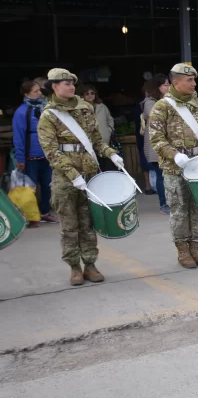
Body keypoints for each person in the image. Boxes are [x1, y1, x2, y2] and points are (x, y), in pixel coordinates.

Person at [37, 68, 125, 285]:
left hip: (88, 175)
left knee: (88, 223)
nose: (71, 86)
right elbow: (51, 152)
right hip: (66, 179)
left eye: (72, 83)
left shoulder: (85, 108)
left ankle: (91, 264)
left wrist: (111, 153)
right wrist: (72, 174)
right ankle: (74, 267)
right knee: (69, 226)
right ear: (54, 87)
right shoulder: (48, 115)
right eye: (66, 83)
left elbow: (96, 140)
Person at [149, 64, 198, 269]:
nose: (194, 83)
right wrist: (174, 155)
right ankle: (183, 251)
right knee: (180, 210)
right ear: (176, 82)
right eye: (189, 80)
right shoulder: (162, 107)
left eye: (194, 80)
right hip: (175, 168)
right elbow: (156, 138)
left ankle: (196, 248)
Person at [12, 80, 58, 226]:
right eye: (35, 91)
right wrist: (20, 159)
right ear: (26, 94)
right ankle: (30, 217)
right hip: (30, 156)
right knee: (28, 188)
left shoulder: (45, 108)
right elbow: (18, 137)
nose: (39, 93)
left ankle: (44, 212)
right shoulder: (21, 112)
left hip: (47, 155)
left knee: (48, 185)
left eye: (39, 90)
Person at [141, 74, 171, 214]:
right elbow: (155, 115)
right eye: (165, 85)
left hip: (169, 144)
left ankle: (173, 201)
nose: (168, 87)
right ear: (157, 87)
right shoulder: (150, 101)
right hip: (156, 146)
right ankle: (164, 204)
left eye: (169, 84)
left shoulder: (169, 100)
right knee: (161, 176)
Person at [80, 84, 117, 172]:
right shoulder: (79, 108)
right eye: (87, 93)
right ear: (82, 95)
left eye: (92, 93)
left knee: (103, 165)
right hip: (87, 142)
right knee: (91, 166)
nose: (90, 95)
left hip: (103, 140)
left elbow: (110, 119)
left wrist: (109, 130)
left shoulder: (102, 106)